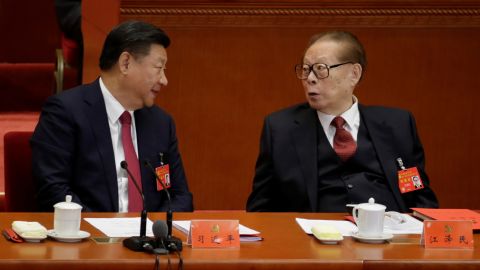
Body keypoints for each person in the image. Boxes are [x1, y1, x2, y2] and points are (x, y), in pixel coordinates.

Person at [246, 31, 438, 213]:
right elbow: (261, 207)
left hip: (389, 236)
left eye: (320, 69)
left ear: (354, 73)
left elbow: (417, 193)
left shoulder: (398, 124)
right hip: (314, 239)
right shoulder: (281, 128)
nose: (310, 79)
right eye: (306, 70)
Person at [31, 20, 193, 212]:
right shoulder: (65, 112)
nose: (164, 80)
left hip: (148, 239)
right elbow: (52, 190)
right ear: (125, 63)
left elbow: (181, 197)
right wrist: (103, 234)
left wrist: (151, 231)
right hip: (89, 238)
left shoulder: (161, 123)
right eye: (159, 68)